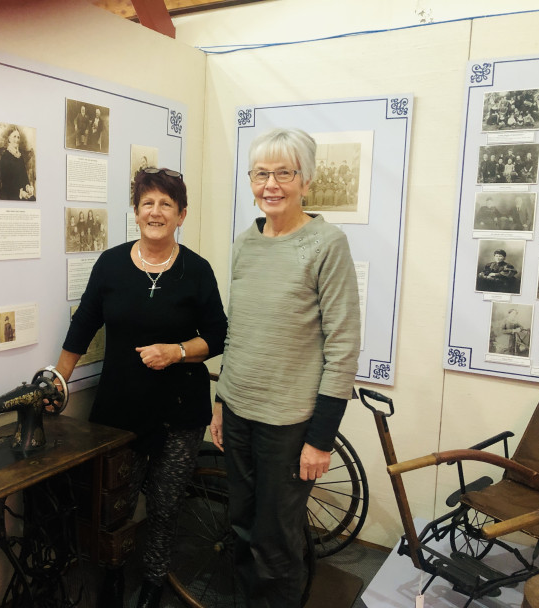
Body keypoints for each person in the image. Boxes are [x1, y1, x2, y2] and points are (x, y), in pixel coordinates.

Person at [50, 167, 227, 608]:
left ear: (181, 215)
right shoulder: (110, 264)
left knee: (165, 509)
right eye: (147, 202)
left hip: (179, 413)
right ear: (135, 211)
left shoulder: (197, 271)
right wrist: (57, 381)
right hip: (119, 413)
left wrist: (178, 351)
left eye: (166, 204)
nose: (155, 211)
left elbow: (219, 335)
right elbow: (83, 324)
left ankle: (152, 581)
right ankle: (111, 576)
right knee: (113, 508)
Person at [210, 128, 361, 607]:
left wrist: (320, 438)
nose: (270, 184)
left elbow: (343, 346)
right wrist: (220, 403)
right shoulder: (244, 243)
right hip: (237, 412)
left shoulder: (326, 244)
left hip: (289, 424)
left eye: (284, 173)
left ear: (307, 180)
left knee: (277, 542)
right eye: (260, 173)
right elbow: (239, 331)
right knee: (240, 527)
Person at [0, 126, 35, 200]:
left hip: (22, 194)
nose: (17, 139)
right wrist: (20, 193)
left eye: (18, 137)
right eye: (14, 136)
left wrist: (28, 187)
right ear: (9, 139)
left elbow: (24, 177)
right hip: (10, 194)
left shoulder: (20, 156)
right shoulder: (5, 157)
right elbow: (6, 183)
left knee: (33, 199)